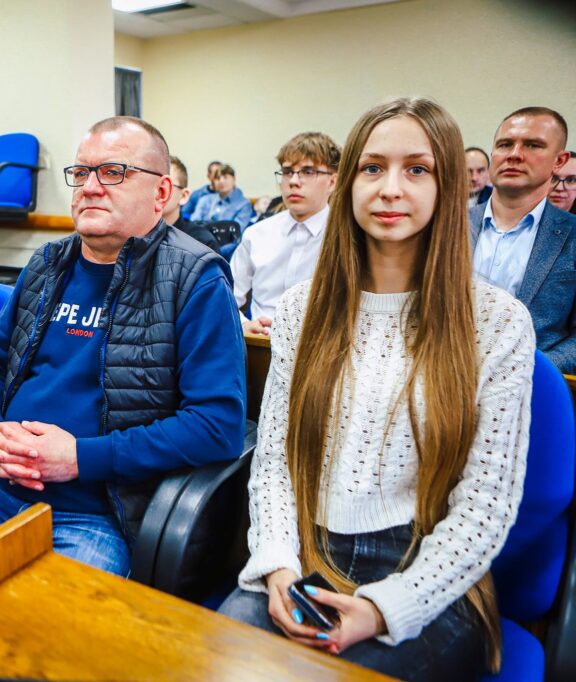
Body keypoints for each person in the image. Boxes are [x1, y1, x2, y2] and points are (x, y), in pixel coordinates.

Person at [219, 97, 535, 681]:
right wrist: (278, 567)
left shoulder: (497, 322)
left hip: (427, 573)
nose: (391, 188)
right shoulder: (299, 310)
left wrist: (382, 609)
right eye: (372, 168)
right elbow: (276, 465)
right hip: (309, 554)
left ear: (450, 186)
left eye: (417, 169)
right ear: (349, 185)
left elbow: (486, 505)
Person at [0, 116, 246, 576]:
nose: (90, 187)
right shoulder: (47, 264)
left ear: (161, 194)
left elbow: (217, 426)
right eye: (81, 173)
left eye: (114, 172)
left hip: (95, 517)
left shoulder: (196, 278)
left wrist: (80, 458)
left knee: (49, 636)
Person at [470, 106, 576, 374]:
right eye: (505, 144)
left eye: (532, 145)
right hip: (441, 385)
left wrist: (524, 370)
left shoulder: (571, 236)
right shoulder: (448, 225)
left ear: (559, 161)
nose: (515, 155)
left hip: (531, 391)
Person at [231, 132, 340, 336]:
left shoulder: (345, 237)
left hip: (321, 351)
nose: (293, 181)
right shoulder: (257, 234)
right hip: (258, 345)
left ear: (332, 182)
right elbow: (225, 297)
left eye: (308, 171)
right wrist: (243, 325)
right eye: (287, 171)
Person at [165, 156, 220, 252]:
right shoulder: (134, 235)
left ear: (183, 196)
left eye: (165, 185)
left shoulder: (201, 242)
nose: (154, 191)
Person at [190, 163, 254, 227]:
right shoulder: (205, 200)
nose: (221, 181)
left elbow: (236, 230)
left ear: (234, 179)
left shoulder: (244, 204)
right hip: (201, 235)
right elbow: (193, 224)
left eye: (225, 177)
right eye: (218, 178)